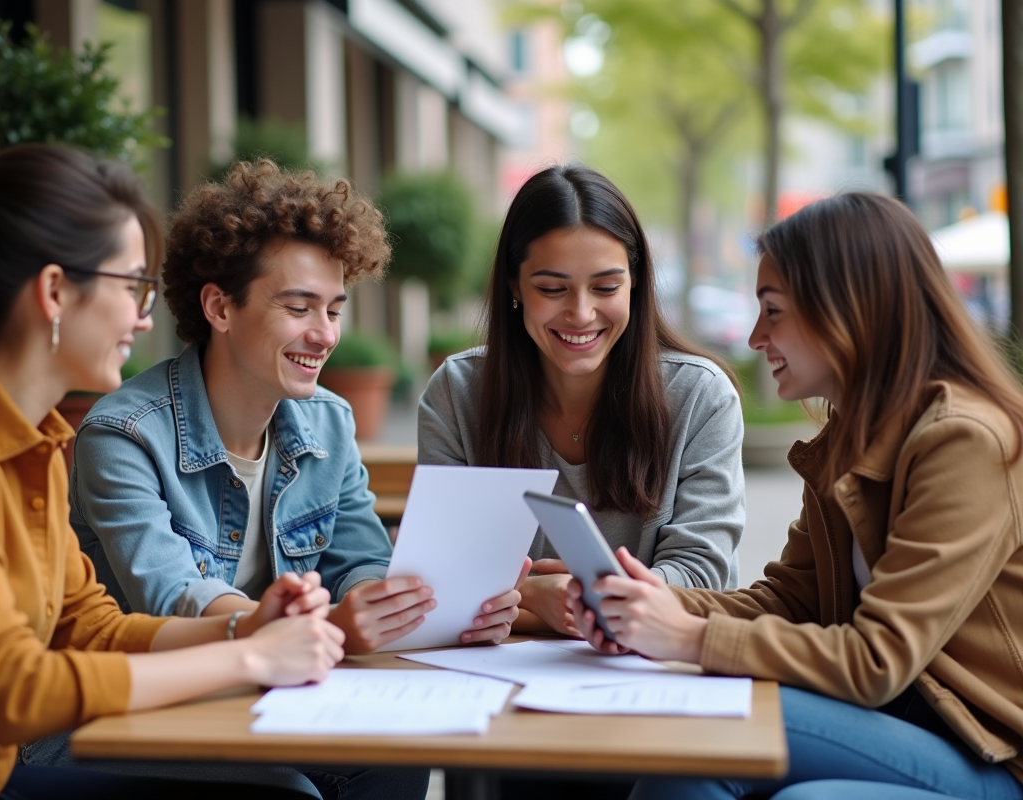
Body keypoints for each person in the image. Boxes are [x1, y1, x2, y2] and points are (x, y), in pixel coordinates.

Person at [0, 128, 346, 800]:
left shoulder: (36, 441)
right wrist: (246, 656)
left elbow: (92, 627)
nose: (142, 318)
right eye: (133, 287)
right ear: (54, 292)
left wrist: (248, 624)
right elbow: (8, 689)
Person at [55, 159, 516, 798]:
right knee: (284, 792)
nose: (324, 335)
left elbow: (360, 560)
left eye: (333, 309)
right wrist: (317, 631)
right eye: (299, 307)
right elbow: (171, 598)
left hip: (261, 695)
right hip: (124, 713)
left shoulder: (327, 423)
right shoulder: (124, 435)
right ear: (218, 305)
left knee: (399, 756)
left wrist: (402, 607)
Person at [569, 192, 1023, 800]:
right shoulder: (848, 437)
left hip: (984, 748)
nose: (756, 337)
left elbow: (877, 660)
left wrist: (686, 637)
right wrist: (660, 605)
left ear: (849, 309)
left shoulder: (965, 440)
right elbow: (790, 599)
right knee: (698, 741)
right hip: (898, 725)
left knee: (731, 744)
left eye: (773, 311)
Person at [418, 164, 745, 639]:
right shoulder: (458, 391)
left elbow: (701, 577)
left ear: (636, 282)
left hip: (653, 670)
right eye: (552, 289)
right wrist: (536, 593)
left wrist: (583, 598)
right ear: (514, 286)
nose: (581, 313)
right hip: (492, 675)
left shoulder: (700, 397)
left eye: (606, 287)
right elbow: (442, 572)